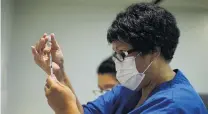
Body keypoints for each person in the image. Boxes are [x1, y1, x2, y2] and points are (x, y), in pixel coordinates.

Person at [31, 3, 208, 114]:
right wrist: (60, 73)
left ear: (154, 51)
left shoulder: (176, 105)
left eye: (123, 53)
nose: (118, 61)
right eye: (116, 54)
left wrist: (64, 109)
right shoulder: (132, 88)